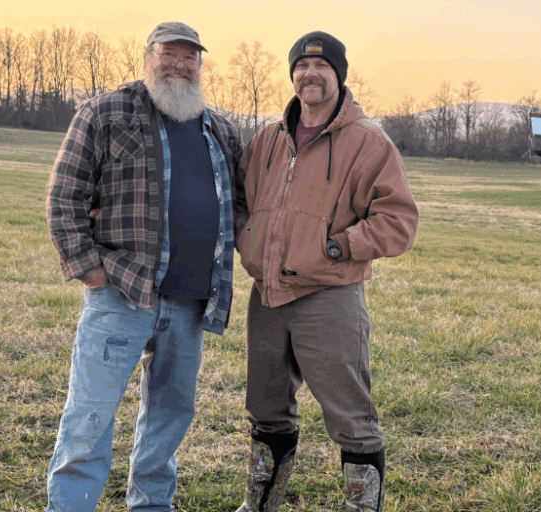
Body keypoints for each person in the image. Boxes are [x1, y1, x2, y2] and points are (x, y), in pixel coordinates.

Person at [44, 21, 243, 512]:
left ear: (201, 65)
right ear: (147, 57)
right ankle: (70, 505)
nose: (178, 64)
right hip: (122, 292)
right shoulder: (107, 111)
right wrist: (89, 268)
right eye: (167, 54)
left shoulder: (219, 128)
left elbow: (240, 199)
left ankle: (151, 504)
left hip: (191, 301)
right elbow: (64, 194)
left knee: (170, 417)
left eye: (189, 57)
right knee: (90, 416)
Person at [232, 31, 418, 512]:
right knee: (266, 410)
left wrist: (337, 247)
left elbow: (398, 221)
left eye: (322, 67)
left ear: (338, 76)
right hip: (268, 296)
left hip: (329, 297)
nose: (310, 75)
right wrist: (246, 239)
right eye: (301, 67)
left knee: (351, 418)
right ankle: (260, 505)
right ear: (292, 75)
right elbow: (238, 201)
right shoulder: (267, 140)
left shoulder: (368, 143)